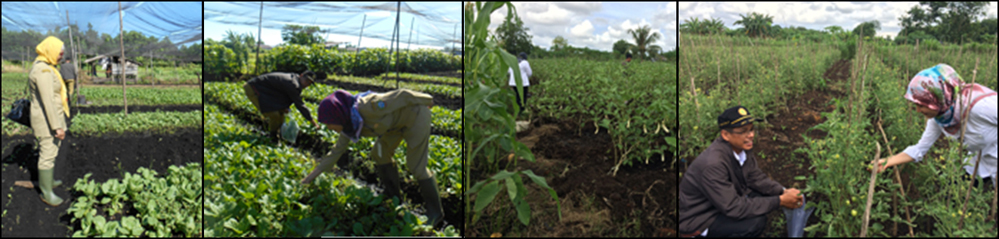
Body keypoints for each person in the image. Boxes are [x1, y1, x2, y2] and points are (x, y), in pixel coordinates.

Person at [300, 89, 444, 227]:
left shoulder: (369, 106)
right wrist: (308, 179)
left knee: (415, 166)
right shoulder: (349, 125)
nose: (329, 127)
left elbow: (402, 95)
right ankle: (392, 195)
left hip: (415, 117)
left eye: (329, 123)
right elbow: (335, 153)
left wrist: (427, 100)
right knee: (379, 154)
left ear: (337, 115)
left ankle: (435, 213)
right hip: (394, 126)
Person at [679, 106, 803, 238]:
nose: (751, 135)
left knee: (762, 198)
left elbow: (755, 178)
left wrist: (782, 191)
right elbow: (733, 207)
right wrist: (780, 201)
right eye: (743, 131)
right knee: (754, 223)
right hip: (701, 220)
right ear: (725, 135)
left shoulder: (742, 147)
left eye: (751, 129)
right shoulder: (713, 164)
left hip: (719, 205)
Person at [872, 64, 997, 189]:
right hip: (977, 164)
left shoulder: (981, 108)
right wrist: (887, 162)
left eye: (921, 105)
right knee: (953, 194)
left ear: (938, 99)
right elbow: (920, 149)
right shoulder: (941, 118)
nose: (917, 110)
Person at [29, 36, 71, 207]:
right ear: (50, 51)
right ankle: (46, 192)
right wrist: (57, 127)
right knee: (47, 154)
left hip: (52, 118)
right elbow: (47, 100)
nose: (61, 56)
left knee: (52, 150)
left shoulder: (48, 67)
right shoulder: (42, 71)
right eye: (59, 53)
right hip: (48, 122)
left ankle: (49, 180)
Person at [242, 71, 320, 144]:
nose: (307, 84)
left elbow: (283, 95)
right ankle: (272, 136)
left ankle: (274, 135)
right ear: (301, 75)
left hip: (266, 92)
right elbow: (300, 105)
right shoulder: (293, 84)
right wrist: (313, 122)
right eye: (306, 80)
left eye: (309, 83)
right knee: (273, 114)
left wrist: (284, 107)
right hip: (253, 88)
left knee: (280, 115)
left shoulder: (295, 80)